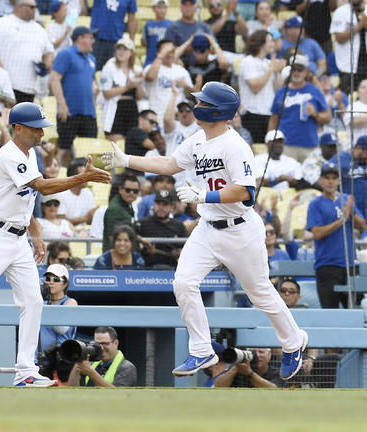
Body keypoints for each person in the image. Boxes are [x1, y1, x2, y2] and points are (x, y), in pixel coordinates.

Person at [103, 81, 308, 380]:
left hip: (239, 229)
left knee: (260, 293)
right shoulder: (197, 138)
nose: (197, 106)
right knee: (183, 283)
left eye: (203, 103)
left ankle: (293, 342)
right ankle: (201, 349)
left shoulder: (235, 145)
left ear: (217, 111)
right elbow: (171, 163)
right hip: (208, 228)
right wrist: (128, 160)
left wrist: (204, 196)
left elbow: (245, 192)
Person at [0, 102, 111, 387]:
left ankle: (25, 370)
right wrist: (81, 178)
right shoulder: (9, 154)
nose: (41, 133)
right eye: (36, 128)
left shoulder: (29, 153)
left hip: (17, 237)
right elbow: (43, 187)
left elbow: (26, 197)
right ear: (18, 128)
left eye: (42, 128)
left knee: (33, 301)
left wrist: (35, 231)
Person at [306, 163, 366, 309]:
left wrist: (351, 212)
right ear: (320, 180)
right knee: (330, 313)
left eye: (334, 178)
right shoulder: (315, 204)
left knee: (354, 311)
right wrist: (342, 219)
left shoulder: (346, 199)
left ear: (339, 181)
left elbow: (363, 226)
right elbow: (317, 233)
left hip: (350, 264)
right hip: (327, 265)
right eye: (327, 178)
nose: (330, 181)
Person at [0, 0, 54, 104]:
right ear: (19, 7)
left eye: (35, 7)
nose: (35, 10)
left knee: (23, 119)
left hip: (29, 88)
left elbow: (49, 51)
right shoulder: (2, 24)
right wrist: (4, 76)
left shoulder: (39, 29)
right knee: (3, 119)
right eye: (31, 7)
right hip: (3, 87)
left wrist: (47, 62)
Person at [49, 26, 98, 167]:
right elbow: (55, 79)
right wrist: (62, 105)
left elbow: (91, 84)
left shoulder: (92, 58)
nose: (93, 41)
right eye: (90, 37)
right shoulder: (66, 54)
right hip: (69, 111)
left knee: (89, 150)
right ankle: (59, 181)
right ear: (80, 38)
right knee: (64, 150)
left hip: (89, 113)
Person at [268, 54, 331, 163]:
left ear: (306, 72)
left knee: (311, 178)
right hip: (286, 146)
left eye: (300, 69)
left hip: (311, 146)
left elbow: (328, 117)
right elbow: (274, 119)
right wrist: (270, 140)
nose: (296, 72)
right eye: (293, 69)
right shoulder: (281, 93)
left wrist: (315, 114)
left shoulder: (315, 91)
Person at [329, 0, 367, 95]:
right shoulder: (341, 12)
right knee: (346, 99)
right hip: (348, 66)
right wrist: (360, 25)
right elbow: (339, 38)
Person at [238, 30, 285, 143]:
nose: (273, 44)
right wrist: (271, 70)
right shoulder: (248, 62)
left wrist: (277, 71)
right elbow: (255, 87)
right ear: (260, 43)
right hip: (252, 115)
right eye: (270, 41)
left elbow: (278, 89)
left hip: (269, 114)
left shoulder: (269, 63)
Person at [99, 37, 145, 143]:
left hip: (132, 110)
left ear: (131, 52)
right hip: (116, 110)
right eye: (119, 49)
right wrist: (127, 87)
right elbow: (106, 93)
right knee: (116, 144)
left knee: (130, 144)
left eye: (125, 49)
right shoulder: (109, 68)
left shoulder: (137, 70)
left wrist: (138, 84)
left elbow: (140, 96)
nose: (121, 52)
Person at [67, 326, 137, 387]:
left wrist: (90, 372)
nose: (101, 348)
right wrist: (78, 364)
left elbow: (118, 395)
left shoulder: (127, 368)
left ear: (116, 343)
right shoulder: (91, 364)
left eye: (105, 343)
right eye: (97, 344)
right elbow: (72, 390)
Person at [144, 39, 193, 124]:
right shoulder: (150, 68)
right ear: (158, 52)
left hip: (177, 118)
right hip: (157, 116)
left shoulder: (181, 70)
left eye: (172, 51)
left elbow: (190, 95)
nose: (170, 54)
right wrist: (161, 55)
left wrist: (185, 86)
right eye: (167, 51)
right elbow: (150, 77)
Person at [329, 135, 367, 224]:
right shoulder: (341, 159)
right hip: (345, 211)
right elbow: (328, 182)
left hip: (363, 213)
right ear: (358, 148)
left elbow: (365, 190)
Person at [135, 189, 188, 268]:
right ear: (154, 204)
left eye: (165, 204)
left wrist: (180, 253)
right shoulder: (142, 223)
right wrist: (141, 245)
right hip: (146, 269)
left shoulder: (179, 226)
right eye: (158, 203)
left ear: (171, 207)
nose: (161, 207)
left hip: (172, 268)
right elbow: (129, 235)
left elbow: (188, 248)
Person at [39, 263, 77, 353]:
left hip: (60, 357)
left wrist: (43, 306)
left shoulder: (70, 302)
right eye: (48, 279)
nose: (51, 282)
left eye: (56, 279)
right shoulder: (43, 302)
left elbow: (62, 329)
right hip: (40, 356)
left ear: (65, 284)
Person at [90, 0, 137, 71]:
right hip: (97, 39)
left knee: (115, 72)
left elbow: (132, 19)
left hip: (116, 42)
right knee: (92, 70)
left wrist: (131, 42)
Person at [164, 0, 212, 66]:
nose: (188, 8)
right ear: (181, 7)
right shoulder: (173, 27)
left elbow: (213, 48)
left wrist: (201, 46)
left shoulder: (204, 26)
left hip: (203, 67)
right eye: (185, 5)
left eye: (191, 5)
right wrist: (189, 46)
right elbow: (167, 52)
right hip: (181, 67)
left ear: (196, 8)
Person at [102, 173, 140, 251]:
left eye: (135, 191)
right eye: (128, 190)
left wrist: (141, 240)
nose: (131, 193)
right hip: (116, 259)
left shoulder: (127, 205)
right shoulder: (115, 209)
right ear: (120, 190)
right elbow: (112, 238)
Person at [57, 158, 98, 229]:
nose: (87, 178)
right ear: (74, 177)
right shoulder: (61, 194)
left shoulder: (88, 193)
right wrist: (85, 218)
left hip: (85, 232)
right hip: (66, 231)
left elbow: (90, 220)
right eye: (84, 175)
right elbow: (61, 221)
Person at [213, 348, 284, 388]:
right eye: (253, 352)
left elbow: (273, 388)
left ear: (269, 355)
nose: (257, 355)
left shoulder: (277, 371)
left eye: (261, 352)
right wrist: (236, 367)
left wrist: (249, 373)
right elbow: (218, 386)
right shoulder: (239, 368)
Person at [142, 0, 172, 66]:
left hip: (166, 61)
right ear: (153, 9)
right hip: (150, 60)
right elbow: (144, 42)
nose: (162, 10)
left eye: (164, 7)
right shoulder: (148, 24)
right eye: (159, 7)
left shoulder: (171, 25)